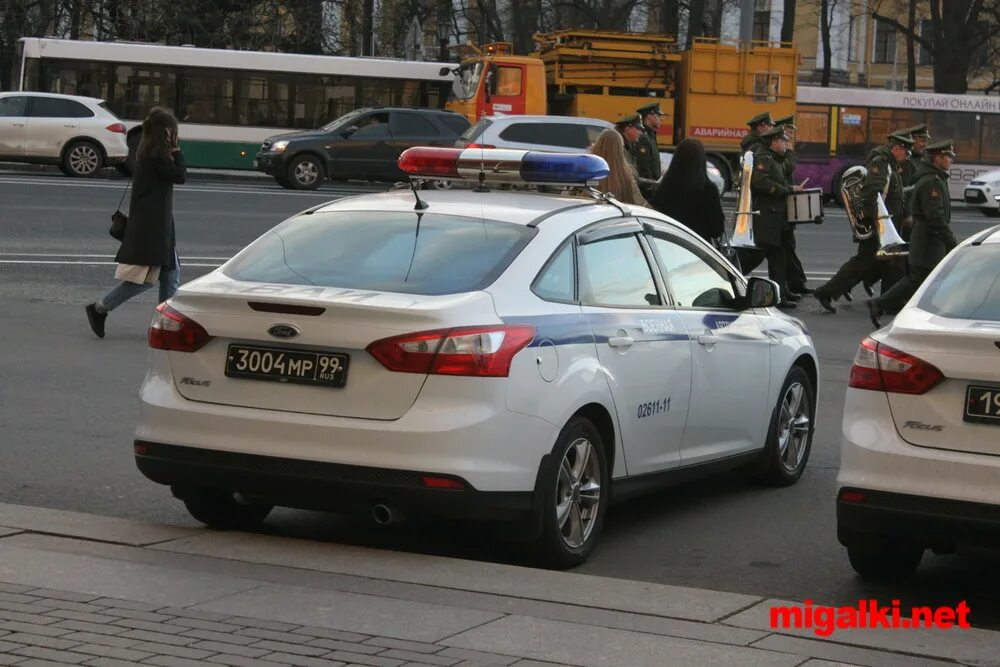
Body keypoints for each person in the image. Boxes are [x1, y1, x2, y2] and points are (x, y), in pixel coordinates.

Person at [85, 107, 186, 338]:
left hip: (155, 224)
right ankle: (102, 308)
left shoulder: (148, 151)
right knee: (150, 279)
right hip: (153, 227)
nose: (174, 135)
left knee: (167, 274)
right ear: (165, 133)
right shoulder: (156, 157)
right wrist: (178, 151)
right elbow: (180, 175)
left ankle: (160, 324)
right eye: (172, 131)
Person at [812, 133, 913, 314]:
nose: (908, 155)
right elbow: (872, 193)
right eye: (906, 150)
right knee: (871, 262)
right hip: (879, 226)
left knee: (875, 263)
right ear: (896, 148)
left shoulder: (890, 164)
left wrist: (904, 214)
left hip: (885, 224)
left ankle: (829, 292)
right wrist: (877, 224)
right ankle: (828, 292)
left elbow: (895, 195)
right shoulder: (881, 163)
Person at [867, 139, 957, 327]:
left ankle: (894, 306)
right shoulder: (931, 182)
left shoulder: (935, 178)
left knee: (923, 279)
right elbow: (934, 216)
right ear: (937, 158)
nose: (950, 161)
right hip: (928, 240)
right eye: (948, 157)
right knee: (922, 279)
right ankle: (880, 304)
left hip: (929, 238)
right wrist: (950, 240)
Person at [739, 126, 800, 309]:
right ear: (774, 142)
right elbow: (760, 182)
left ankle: (779, 294)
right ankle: (730, 275)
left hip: (776, 217)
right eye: (783, 141)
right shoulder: (764, 158)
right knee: (757, 254)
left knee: (778, 257)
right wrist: (786, 190)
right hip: (766, 215)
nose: (786, 144)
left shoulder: (775, 158)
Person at [649, 138, 723, 242]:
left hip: (668, 245)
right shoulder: (708, 190)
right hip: (698, 249)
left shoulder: (665, 187)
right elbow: (716, 230)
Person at [774, 115, 812, 296]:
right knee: (778, 250)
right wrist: (789, 152)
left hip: (784, 204)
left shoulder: (783, 149)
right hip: (777, 207)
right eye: (787, 132)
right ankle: (788, 287)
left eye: (791, 133)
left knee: (787, 247)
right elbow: (788, 168)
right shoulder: (781, 151)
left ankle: (793, 284)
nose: (790, 137)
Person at [587, 128, 648, 206]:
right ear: (620, 150)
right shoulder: (626, 175)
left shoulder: (587, 171)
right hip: (618, 217)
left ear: (598, 145)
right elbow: (641, 204)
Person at [614, 113, 655, 195]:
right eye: (639, 129)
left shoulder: (628, 146)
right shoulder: (617, 147)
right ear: (627, 128)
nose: (641, 133)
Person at [634, 102, 665, 199]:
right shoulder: (644, 137)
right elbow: (644, 166)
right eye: (658, 115)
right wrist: (650, 189)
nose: (661, 119)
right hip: (648, 191)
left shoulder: (651, 135)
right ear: (648, 117)